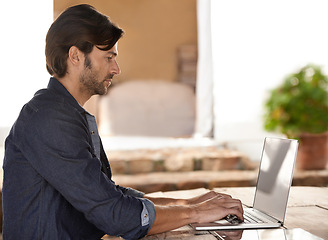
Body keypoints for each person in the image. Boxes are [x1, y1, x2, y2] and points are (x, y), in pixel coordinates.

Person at [2, 4, 243, 240]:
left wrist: (186, 203)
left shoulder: (63, 113)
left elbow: (108, 196)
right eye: (108, 57)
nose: (116, 69)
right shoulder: (50, 119)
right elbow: (115, 215)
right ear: (75, 56)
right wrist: (195, 213)